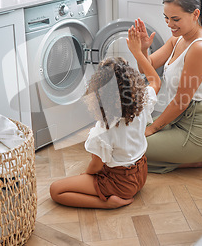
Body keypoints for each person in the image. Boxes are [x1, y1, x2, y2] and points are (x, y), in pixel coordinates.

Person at [49, 27, 161, 209]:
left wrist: (85, 177)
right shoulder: (143, 105)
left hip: (121, 184)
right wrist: (138, 52)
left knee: (56, 190)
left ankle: (107, 204)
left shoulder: (102, 131)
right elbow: (155, 80)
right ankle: (112, 194)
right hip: (141, 175)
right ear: (132, 85)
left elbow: (95, 167)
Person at [133, 0, 202, 174]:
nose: (169, 24)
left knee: (127, 150)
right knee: (124, 136)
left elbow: (182, 101)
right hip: (177, 120)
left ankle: (200, 158)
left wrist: (152, 129)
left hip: (200, 131)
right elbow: (146, 69)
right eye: (166, 18)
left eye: (175, 19)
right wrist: (142, 49)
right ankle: (187, 157)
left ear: (195, 14)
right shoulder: (177, 39)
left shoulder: (200, 48)